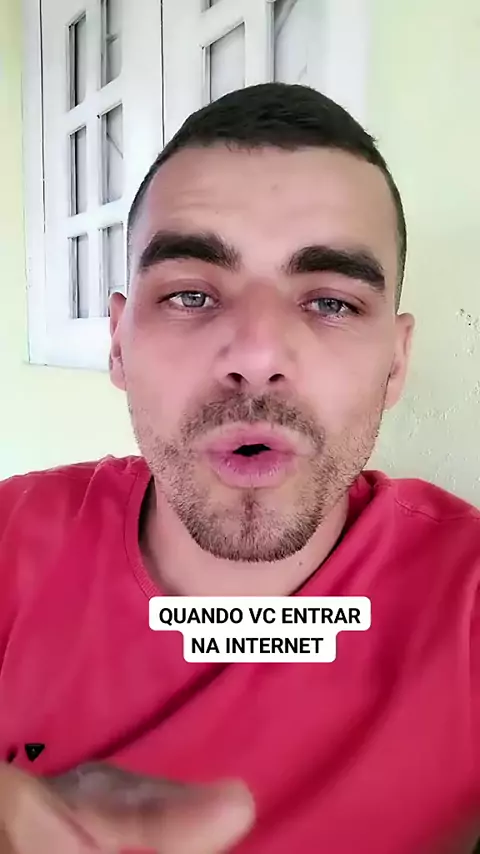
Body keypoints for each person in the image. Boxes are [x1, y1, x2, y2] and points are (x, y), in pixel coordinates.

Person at [0, 82, 478, 854]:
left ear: (396, 362)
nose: (256, 356)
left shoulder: (466, 599)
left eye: (331, 303)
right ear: (118, 344)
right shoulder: (9, 540)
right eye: (191, 294)